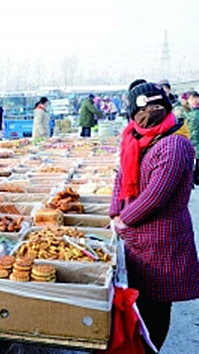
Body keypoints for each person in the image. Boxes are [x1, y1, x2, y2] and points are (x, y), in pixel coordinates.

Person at [110, 82, 199, 353]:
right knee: (136, 304)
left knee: (155, 310)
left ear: (166, 107)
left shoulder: (174, 145)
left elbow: (156, 195)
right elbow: (120, 177)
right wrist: (114, 211)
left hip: (162, 243)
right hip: (136, 242)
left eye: (156, 107)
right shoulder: (133, 139)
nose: (150, 114)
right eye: (143, 109)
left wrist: (124, 220)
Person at [187, 91, 199, 184]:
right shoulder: (188, 113)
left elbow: (194, 131)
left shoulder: (195, 113)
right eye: (191, 99)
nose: (194, 101)